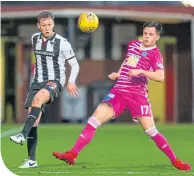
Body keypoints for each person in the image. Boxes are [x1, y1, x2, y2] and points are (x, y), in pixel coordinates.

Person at [53, 21, 191, 171]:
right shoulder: (133, 45)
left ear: (157, 37)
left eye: (151, 34)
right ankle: (73, 153)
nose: (147, 37)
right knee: (93, 120)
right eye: (145, 33)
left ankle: (175, 160)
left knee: (150, 130)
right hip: (119, 91)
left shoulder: (155, 54)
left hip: (137, 95)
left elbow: (160, 76)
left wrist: (141, 72)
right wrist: (119, 73)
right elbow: (128, 61)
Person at [10, 11, 80, 168]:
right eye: (44, 25)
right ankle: (31, 160)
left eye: (49, 25)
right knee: (33, 120)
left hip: (55, 81)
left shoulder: (63, 43)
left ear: (53, 24)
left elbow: (75, 65)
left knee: (38, 99)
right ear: (38, 26)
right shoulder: (35, 38)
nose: (47, 28)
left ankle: (22, 134)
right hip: (37, 82)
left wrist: (71, 81)